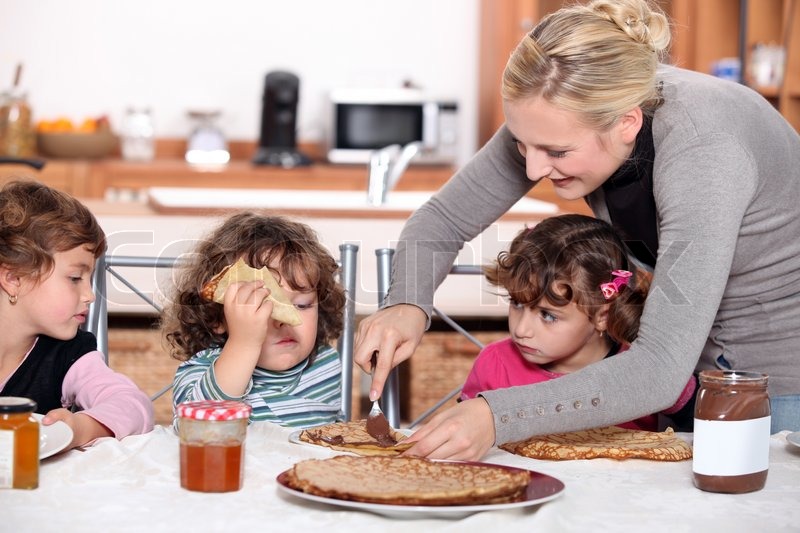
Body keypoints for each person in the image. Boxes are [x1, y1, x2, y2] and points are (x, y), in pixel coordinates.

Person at [354, 0, 800, 460]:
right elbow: (443, 219)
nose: (532, 167)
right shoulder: (563, 112)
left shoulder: (706, 150)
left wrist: (496, 415)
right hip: (683, 373)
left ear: (628, 123)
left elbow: (658, 373)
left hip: (775, 383)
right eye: (522, 143)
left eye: (556, 152)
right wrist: (407, 302)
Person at [459, 215, 696, 431]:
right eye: (517, 304)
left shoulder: (645, 371)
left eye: (548, 315)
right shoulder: (493, 365)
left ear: (602, 316)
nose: (521, 330)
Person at [0, 180, 154, 450]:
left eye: (89, 279)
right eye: (74, 278)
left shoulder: (70, 353)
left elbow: (134, 405)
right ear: (13, 278)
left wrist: (80, 428)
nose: (90, 295)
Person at [164, 211, 346, 428]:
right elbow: (194, 430)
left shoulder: (325, 364)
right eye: (261, 305)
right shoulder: (199, 372)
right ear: (217, 318)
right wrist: (244, 344)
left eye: (303, 305)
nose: (285, 320)